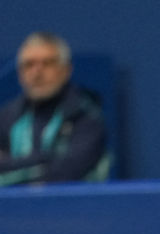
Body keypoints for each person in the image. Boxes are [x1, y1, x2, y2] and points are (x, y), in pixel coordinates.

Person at [0, 32, 109, 186]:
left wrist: (12, 166)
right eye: (29, 64)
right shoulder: (7, 117)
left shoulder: (86, 116)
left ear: (66, 70)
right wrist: (47, 159)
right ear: (20, 74)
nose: (37, 73)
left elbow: (68, 172)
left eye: (47, 63)